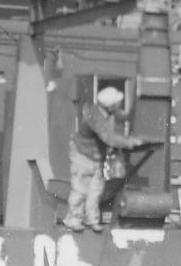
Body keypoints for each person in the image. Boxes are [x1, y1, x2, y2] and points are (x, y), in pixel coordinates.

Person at [63, 87, 151, 233]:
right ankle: (73, 220)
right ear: (111, 105)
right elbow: (108, 138)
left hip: (95, 158)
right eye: (118, 102)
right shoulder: (95, 116)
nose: (120, 104)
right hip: (83, 156)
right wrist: (130, 142)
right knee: (80, 190)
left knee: (95, 191)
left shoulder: (106, 112)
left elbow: (123, 116)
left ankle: (92, 220)